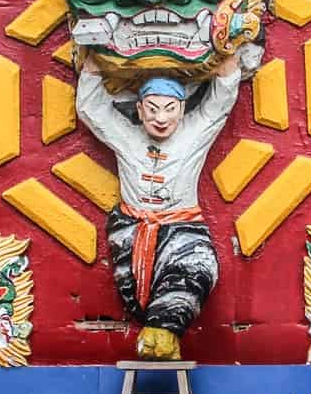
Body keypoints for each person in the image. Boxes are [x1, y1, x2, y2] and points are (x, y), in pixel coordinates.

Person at [76, 61, 242, 361]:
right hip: (133, 229)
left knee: (198, 270)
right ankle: (157, 330)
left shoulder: (194, 133)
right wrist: (91, 70)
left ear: (182, 109)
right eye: (152, 109)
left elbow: (219, 105)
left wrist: (228, 68)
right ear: (140, 110)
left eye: (169, 109)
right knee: (137, 293)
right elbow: (93, 111)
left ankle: (164, 329)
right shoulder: (127, 136)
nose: (161, 118)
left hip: (183, 227)